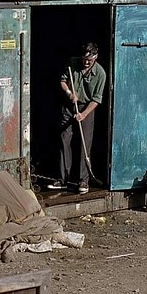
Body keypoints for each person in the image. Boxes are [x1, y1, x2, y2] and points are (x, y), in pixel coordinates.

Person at [48, 42, 106, 194]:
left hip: (87, 107)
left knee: (84, 144)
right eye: (84, 59)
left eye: (89, 60)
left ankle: (83, 180)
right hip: (69, 106)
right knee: (64, 140)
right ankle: (62, 179)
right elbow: (63, 81)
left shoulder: (101, 74)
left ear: (95, 58)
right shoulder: (72, 63)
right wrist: (69, 93)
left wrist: (83, 114)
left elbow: (96, 99)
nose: (86, 62)